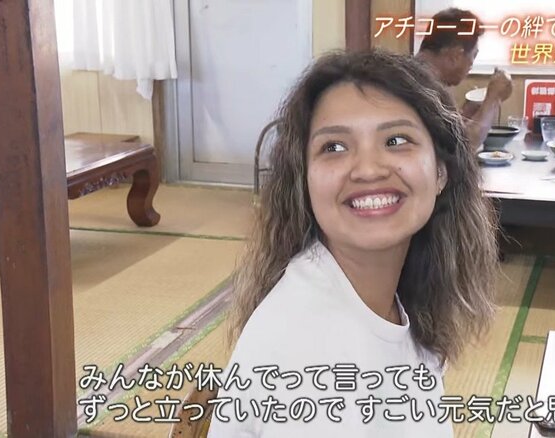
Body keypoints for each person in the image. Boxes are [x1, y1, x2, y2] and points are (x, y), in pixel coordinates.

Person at [207, 50, 500, 437]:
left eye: (396, 140)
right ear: (304, 180)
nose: (367, 169)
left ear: (441, 172)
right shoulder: (309, 356)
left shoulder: (397, 298)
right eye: (334, 147)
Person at [415, 7, 513, 149]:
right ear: (455, 55)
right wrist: (493, 99)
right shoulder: (422, 87)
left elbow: (445, 135)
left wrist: (467, 113)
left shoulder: (414, 74)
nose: (471, 64)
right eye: (474, 55)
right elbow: (463, 147)